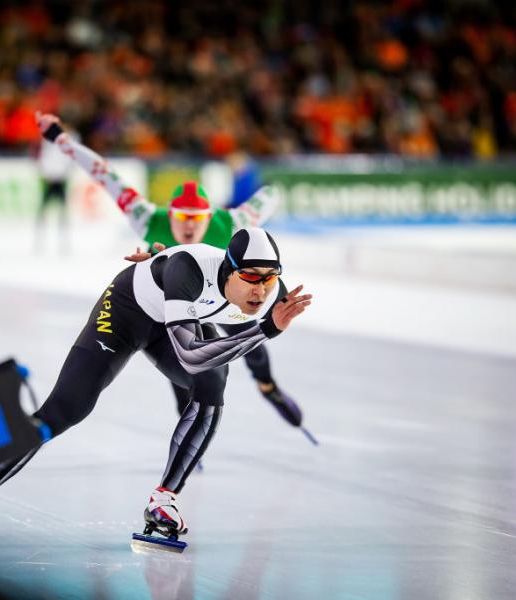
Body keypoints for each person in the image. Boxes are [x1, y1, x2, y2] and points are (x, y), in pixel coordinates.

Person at [0, 226, 312, 544]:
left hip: (174, 320)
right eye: (250, 278)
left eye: (269, 278)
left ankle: (164, 500)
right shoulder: (188, 270)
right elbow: (192, 355)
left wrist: (266, 366)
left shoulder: (270, 293)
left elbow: (239, 345)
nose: (260, 291)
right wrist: (265, 330)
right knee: (68, 408)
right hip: (126, 312)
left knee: (214, 383)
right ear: (229, 270)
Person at [32, 112, 309, 437]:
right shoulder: (147, 217)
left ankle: (268, 387)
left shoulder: (233, 223)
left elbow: (271, 194)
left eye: (197, 219)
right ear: (169, 213)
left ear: (210, 216)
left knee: (252, 339)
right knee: (185, 352)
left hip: (219, 297)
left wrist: (248, 170)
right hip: (173, 301)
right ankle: (188, 420)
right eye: (181, 217)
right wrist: (61, 140)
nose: (189, 226)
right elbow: (105, 175)